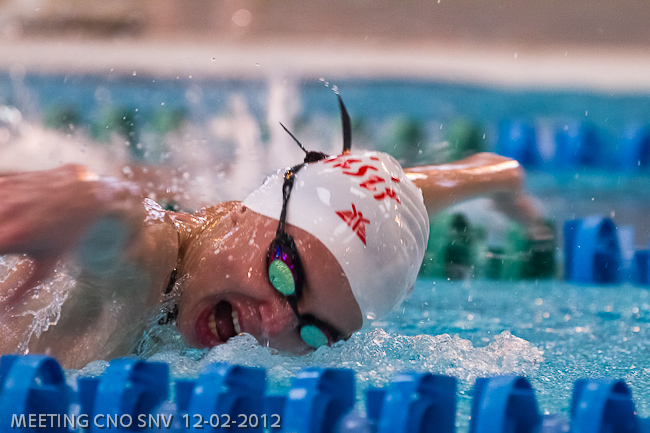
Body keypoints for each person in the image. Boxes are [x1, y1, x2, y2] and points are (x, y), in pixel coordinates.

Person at [0, 103, 548, 369]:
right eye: (283, 272)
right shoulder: (146, 259)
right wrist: (94, 199)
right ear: (240, 213)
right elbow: (125, 234)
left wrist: (496, 175)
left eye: (315, 332)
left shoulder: (297, 236)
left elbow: (409, 193)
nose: (276, 323)